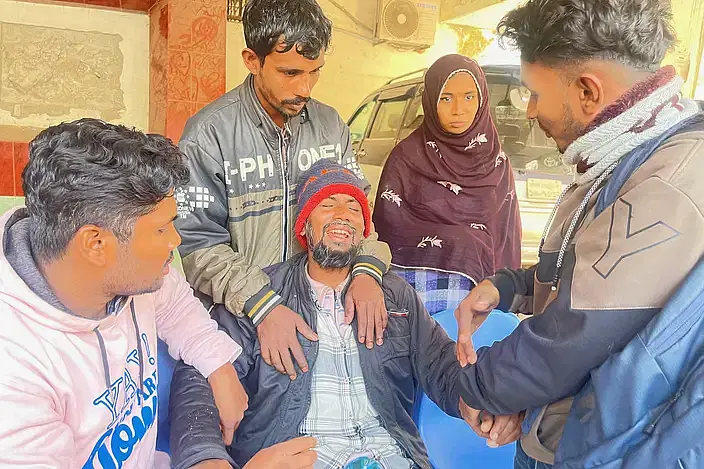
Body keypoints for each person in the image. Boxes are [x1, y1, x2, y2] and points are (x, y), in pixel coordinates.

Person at [449, 0, 704, 468]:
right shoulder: (619, 155)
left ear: (587, 91)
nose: (528, 111)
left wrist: (473, 387)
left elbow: (575, 332)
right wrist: (511, 287)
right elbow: (589, 266)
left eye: (535, 93)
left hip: (612, 450)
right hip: (562, 433)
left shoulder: (672, 180)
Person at [168, 160, 524, 469]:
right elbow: (201, 372)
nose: (343, 215)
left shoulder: (395, 295)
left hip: (391, 456)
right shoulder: (264, 298)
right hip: (300, 456)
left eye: (354, 208)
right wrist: (205, 457)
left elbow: (443, 366)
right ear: (304, 226)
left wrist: (481, 402)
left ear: (364, 230)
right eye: (328, 205)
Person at [0, 119, 248, 468]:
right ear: (96, 244)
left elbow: (176, 306)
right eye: (161, 228)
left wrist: (219, 368)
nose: (175, 241)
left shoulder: (133, 278)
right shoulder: (14, 376)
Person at [174, 0, 391, 390]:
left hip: (322, 315)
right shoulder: (209, 135)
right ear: (252, 60)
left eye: (314, 73)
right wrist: (262, 304)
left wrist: (366, 269)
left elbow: (358, 215)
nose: (304, 88)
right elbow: (196, 245)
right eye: (290, 72)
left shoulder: (329, 126)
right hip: (244, 321)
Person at [373, 55, 521, 315]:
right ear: (430, 101)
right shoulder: (406, 158)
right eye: (445, 98)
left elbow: (506, 236)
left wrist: (505, 293)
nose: (458, 109)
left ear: (482, 100)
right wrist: (459, 242)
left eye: (468, 97)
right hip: (420, 301)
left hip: (484, 300)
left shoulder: (496, 163)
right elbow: (389, 232)